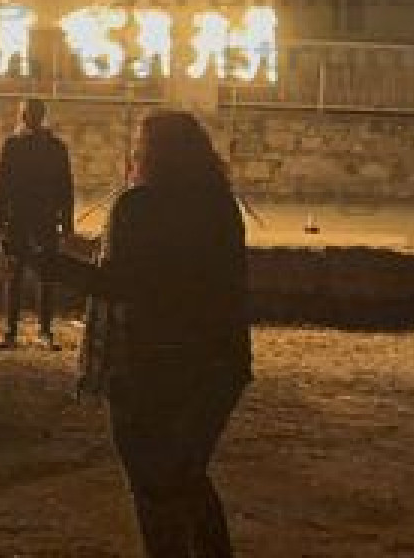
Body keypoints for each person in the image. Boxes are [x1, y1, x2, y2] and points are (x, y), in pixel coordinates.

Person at [34, 111, 252, 558]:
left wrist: (51, 265)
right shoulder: (219, 204)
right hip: (217, 363)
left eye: (141, 145)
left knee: (154, 487)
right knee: (186, 477)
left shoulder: (140, 206)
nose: (134, 153)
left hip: (149, 364)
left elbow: (120, 284)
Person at [0, 98, 75, 350]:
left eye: (31, 113)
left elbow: (65, 185)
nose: (28, 117)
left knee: (44, 274)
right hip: (23, 216)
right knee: (16, 273)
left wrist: (67, 220)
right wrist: (0, 218)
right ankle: (13, 330)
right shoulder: (17, 145)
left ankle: (41, 329)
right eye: (26, 113)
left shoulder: (51, 147)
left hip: (40, 216)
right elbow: (3, 184)